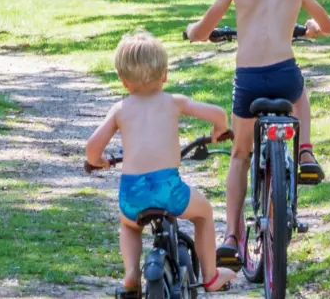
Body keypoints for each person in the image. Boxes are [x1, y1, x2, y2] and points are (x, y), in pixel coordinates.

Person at [182, 0, 330, 267]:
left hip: (249, 81)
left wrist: (194, 31)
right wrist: (314, 28)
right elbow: (328, 25)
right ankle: (306, 153)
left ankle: (232, 236)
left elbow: (206, 27)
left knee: (240, 155)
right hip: (284, 74)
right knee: (300, 96)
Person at [85, 31, 236, 295]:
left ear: (123, 81)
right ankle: (211, 276)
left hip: (132, 193)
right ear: (164, 75)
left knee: (128, 225)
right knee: (204, 214)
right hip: (168, 189)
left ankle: (131, 274)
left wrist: (99, 162)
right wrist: (218, 131)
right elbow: (218, 113)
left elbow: (92, 148)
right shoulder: (173, 102)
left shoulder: (120, 109)